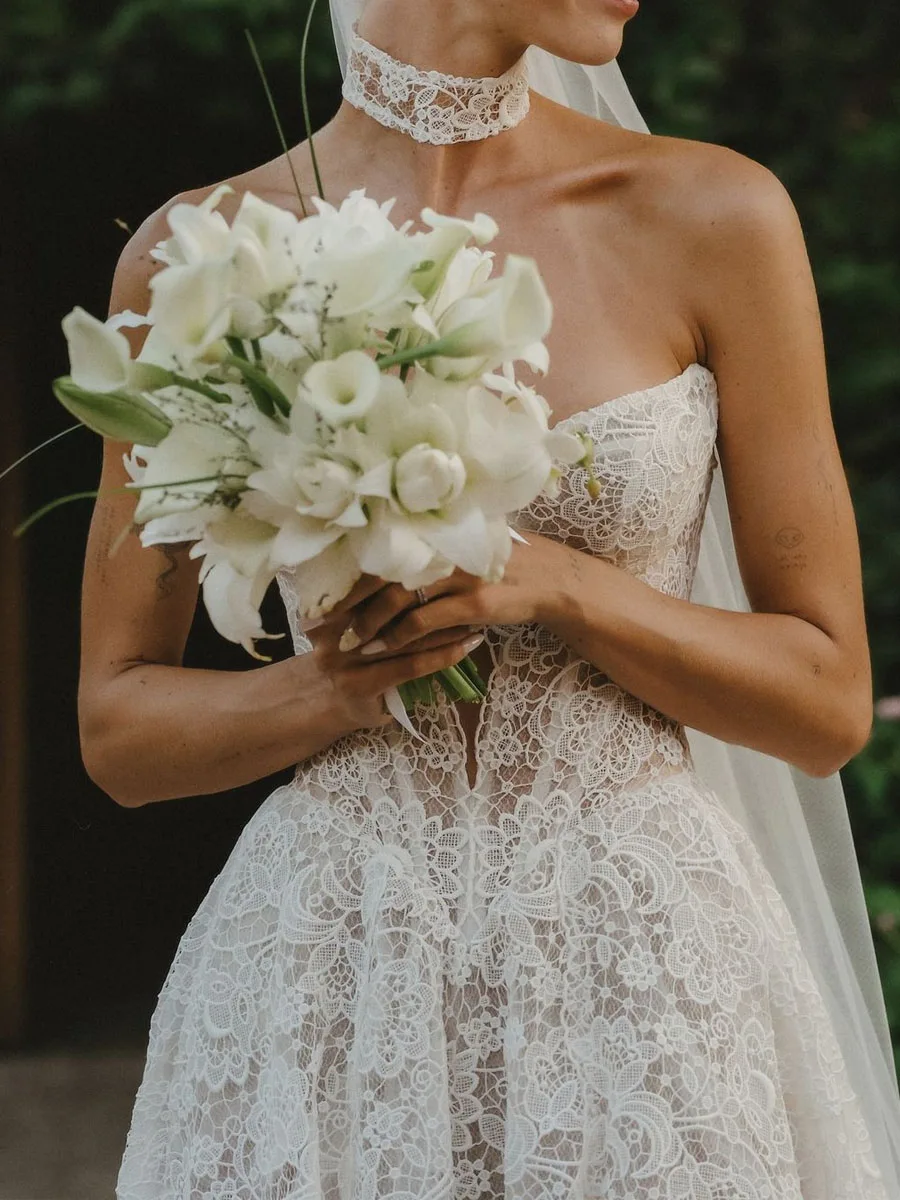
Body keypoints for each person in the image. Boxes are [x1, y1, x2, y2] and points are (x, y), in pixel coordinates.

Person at [82, 0, 900, 1195]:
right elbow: (120, 733)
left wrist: (565, 587)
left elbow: (826, 705)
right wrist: (340, 686)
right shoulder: (202, 256)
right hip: (331, 974)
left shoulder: (714, 214)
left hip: (642, 976)